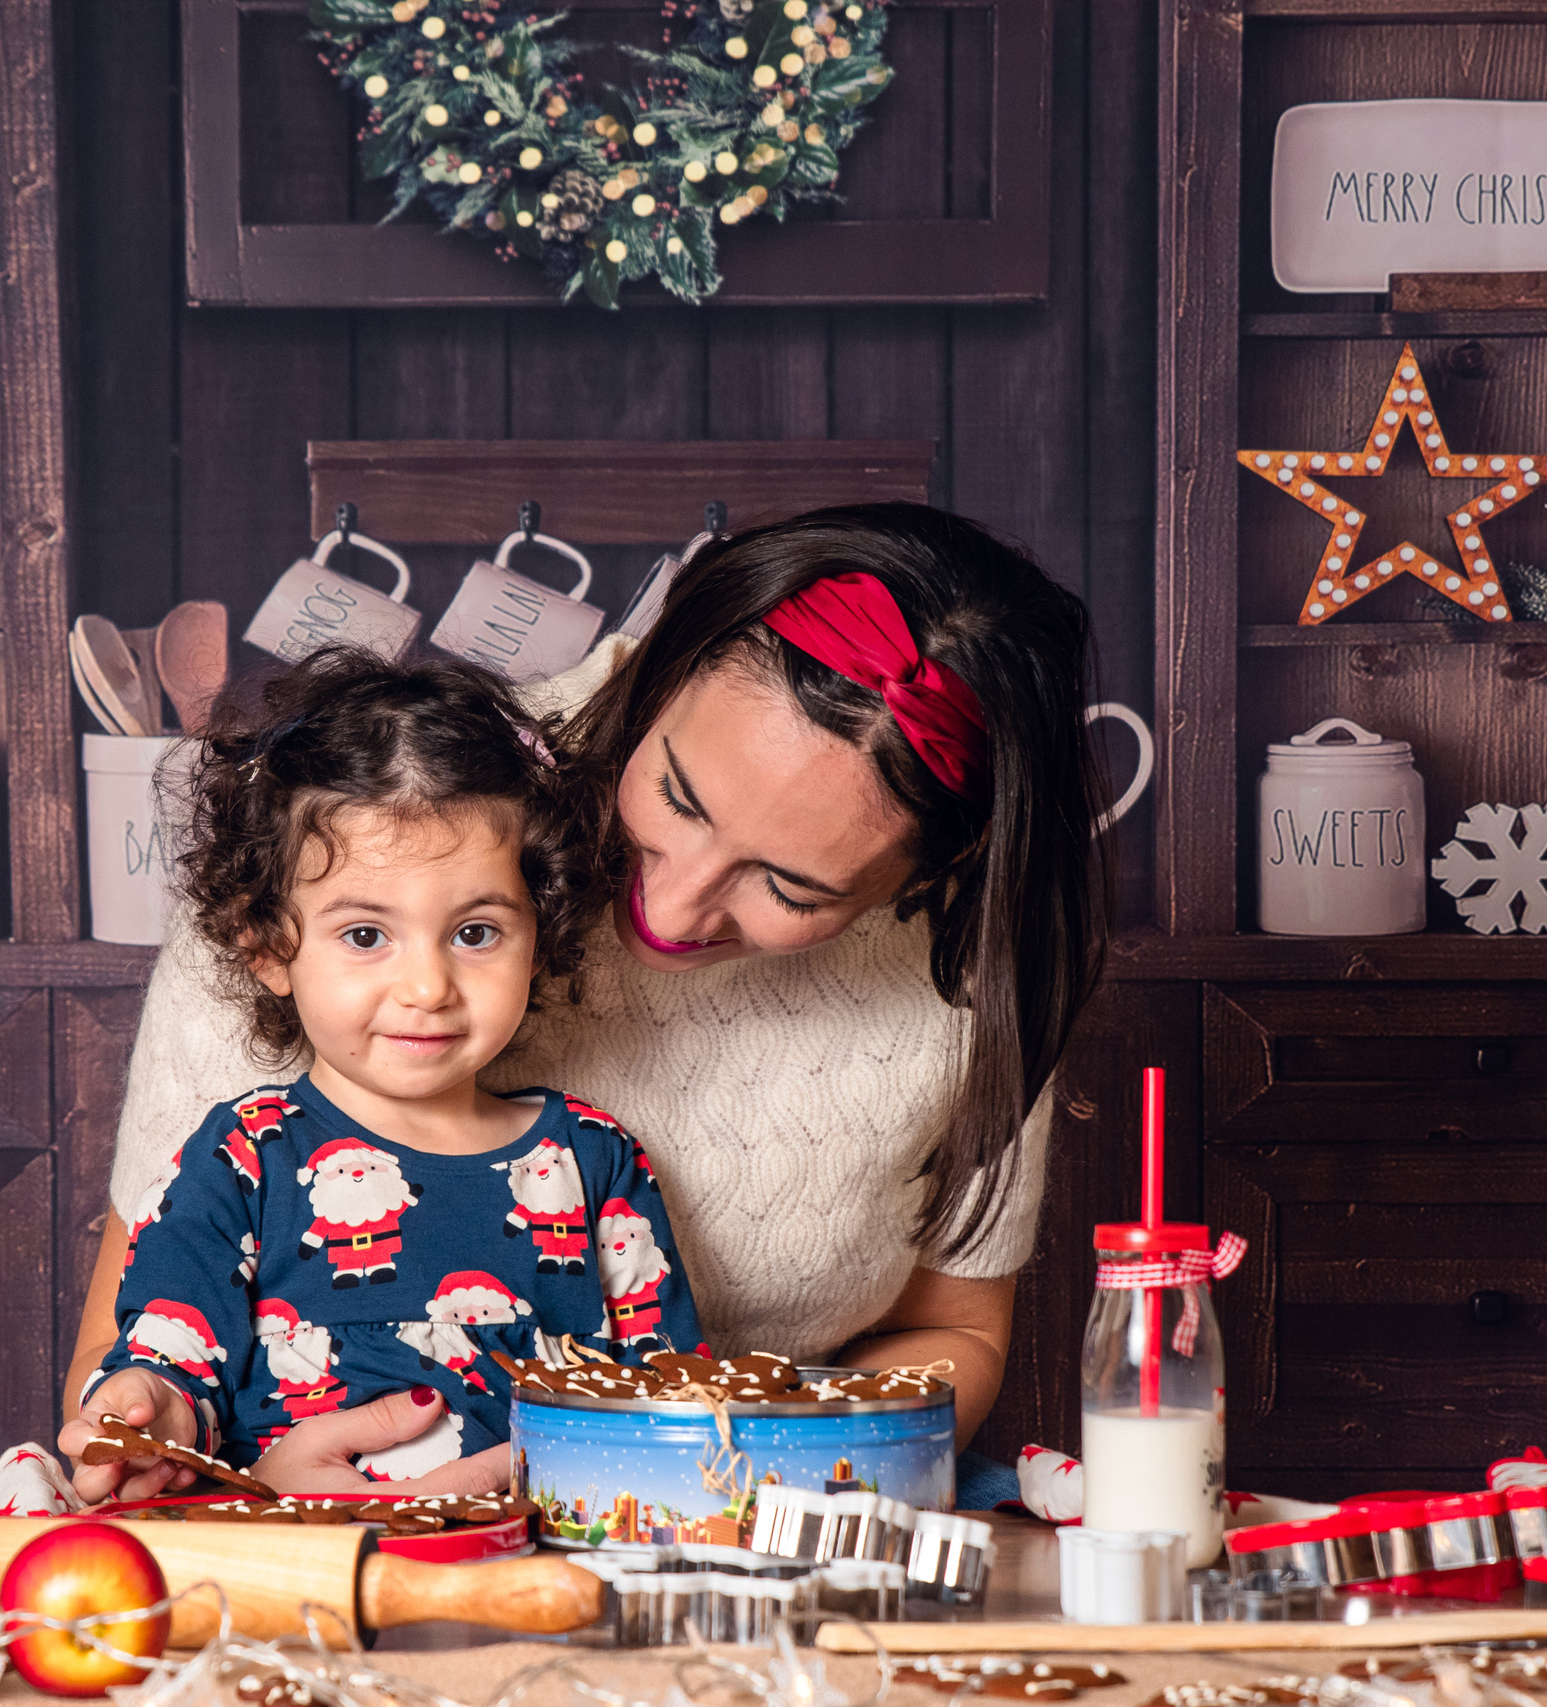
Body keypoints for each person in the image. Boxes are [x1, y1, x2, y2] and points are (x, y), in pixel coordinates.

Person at [70, 503, 1112, 1502]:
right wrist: (247, 1488)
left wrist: (737, 1481)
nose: (675, 906)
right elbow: (141, 1368)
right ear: (665, 660)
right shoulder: (354, 819)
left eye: (791, 887)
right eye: (680, 796)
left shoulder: (603, 1157)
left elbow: (711, 1383)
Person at [61, 650, 706, 1502]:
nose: (428, 986)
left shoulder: (596, 1161)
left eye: (475, 933)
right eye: (366, 935)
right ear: (268, 946)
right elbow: (174, 1347)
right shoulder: (241, 1157)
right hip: (299, 1557)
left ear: (539, 936)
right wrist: (153, 1407)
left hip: (539, 1554)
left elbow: (673, 1408)